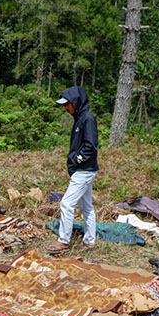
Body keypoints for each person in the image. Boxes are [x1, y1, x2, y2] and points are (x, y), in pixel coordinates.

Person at [45, 86, 99, 254]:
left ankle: (63, 241)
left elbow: (91, 145)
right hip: (83, 170)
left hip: (84, 170)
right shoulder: (79, 118)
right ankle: (89, 240)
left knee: (67, 203)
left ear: (76, 102)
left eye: (67, 104)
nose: (66, 108)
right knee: (86, 206)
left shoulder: (87, 118)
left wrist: (77, 160)